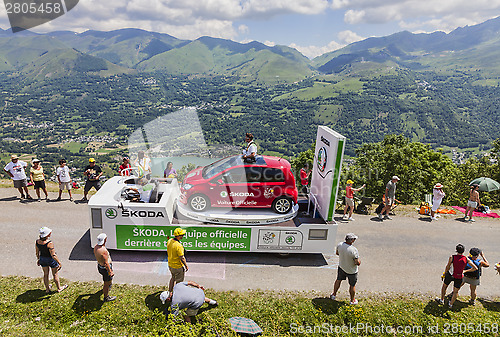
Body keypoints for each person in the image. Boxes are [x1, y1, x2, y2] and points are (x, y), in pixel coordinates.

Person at [437, 244, 477, 308]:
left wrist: (444, 274)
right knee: (455, 291)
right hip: (459, 276)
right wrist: (465, 271)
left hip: (450, 274)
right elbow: (475, 268)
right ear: (463, 251)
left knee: (444, 287)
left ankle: (442, 299)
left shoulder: (452, 257)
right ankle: (451, 304)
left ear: (456, 250)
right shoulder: (466, 259)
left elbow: (447, 266)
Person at [330, 233, 361, 305]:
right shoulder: (354, 250)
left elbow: (337, 253)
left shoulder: (340, 245)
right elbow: (357, 262)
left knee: (338, 280)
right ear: (352, 241)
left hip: (341, 267)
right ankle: (352, 301)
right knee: (352, 285)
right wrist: (359, 261)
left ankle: (333, 295)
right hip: (351, 271)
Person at [35, 227, 67, 293]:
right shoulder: (49, 243)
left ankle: (47, 289)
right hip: (51, 260)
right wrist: (59, 262)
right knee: (55, 274)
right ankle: (59, 288)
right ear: (47, 235)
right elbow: (53, 255)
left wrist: (39, 259)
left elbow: (37, 252)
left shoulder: (37, 242)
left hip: (42, 259)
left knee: (45, 274)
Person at [166, 228, 188, 301]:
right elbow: (182, 257)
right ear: (179, 236)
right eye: (182, 234)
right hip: (178, 267)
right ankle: (176, 297)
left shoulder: (169, 241)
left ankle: (169, 292)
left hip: (170, 265)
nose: (183, 235)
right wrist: (186, 266)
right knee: (179, 283)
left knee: (173, 278)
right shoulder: (179, 246)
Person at [93, 233, 116, 302]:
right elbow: (106, 263)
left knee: (107, 281)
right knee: (106, 283)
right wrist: (110, 271)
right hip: (105, 269)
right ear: (105, 240)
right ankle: (106, 297)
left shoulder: (96, 247)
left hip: (100, 266)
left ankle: (109, 285)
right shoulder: (104, 251)